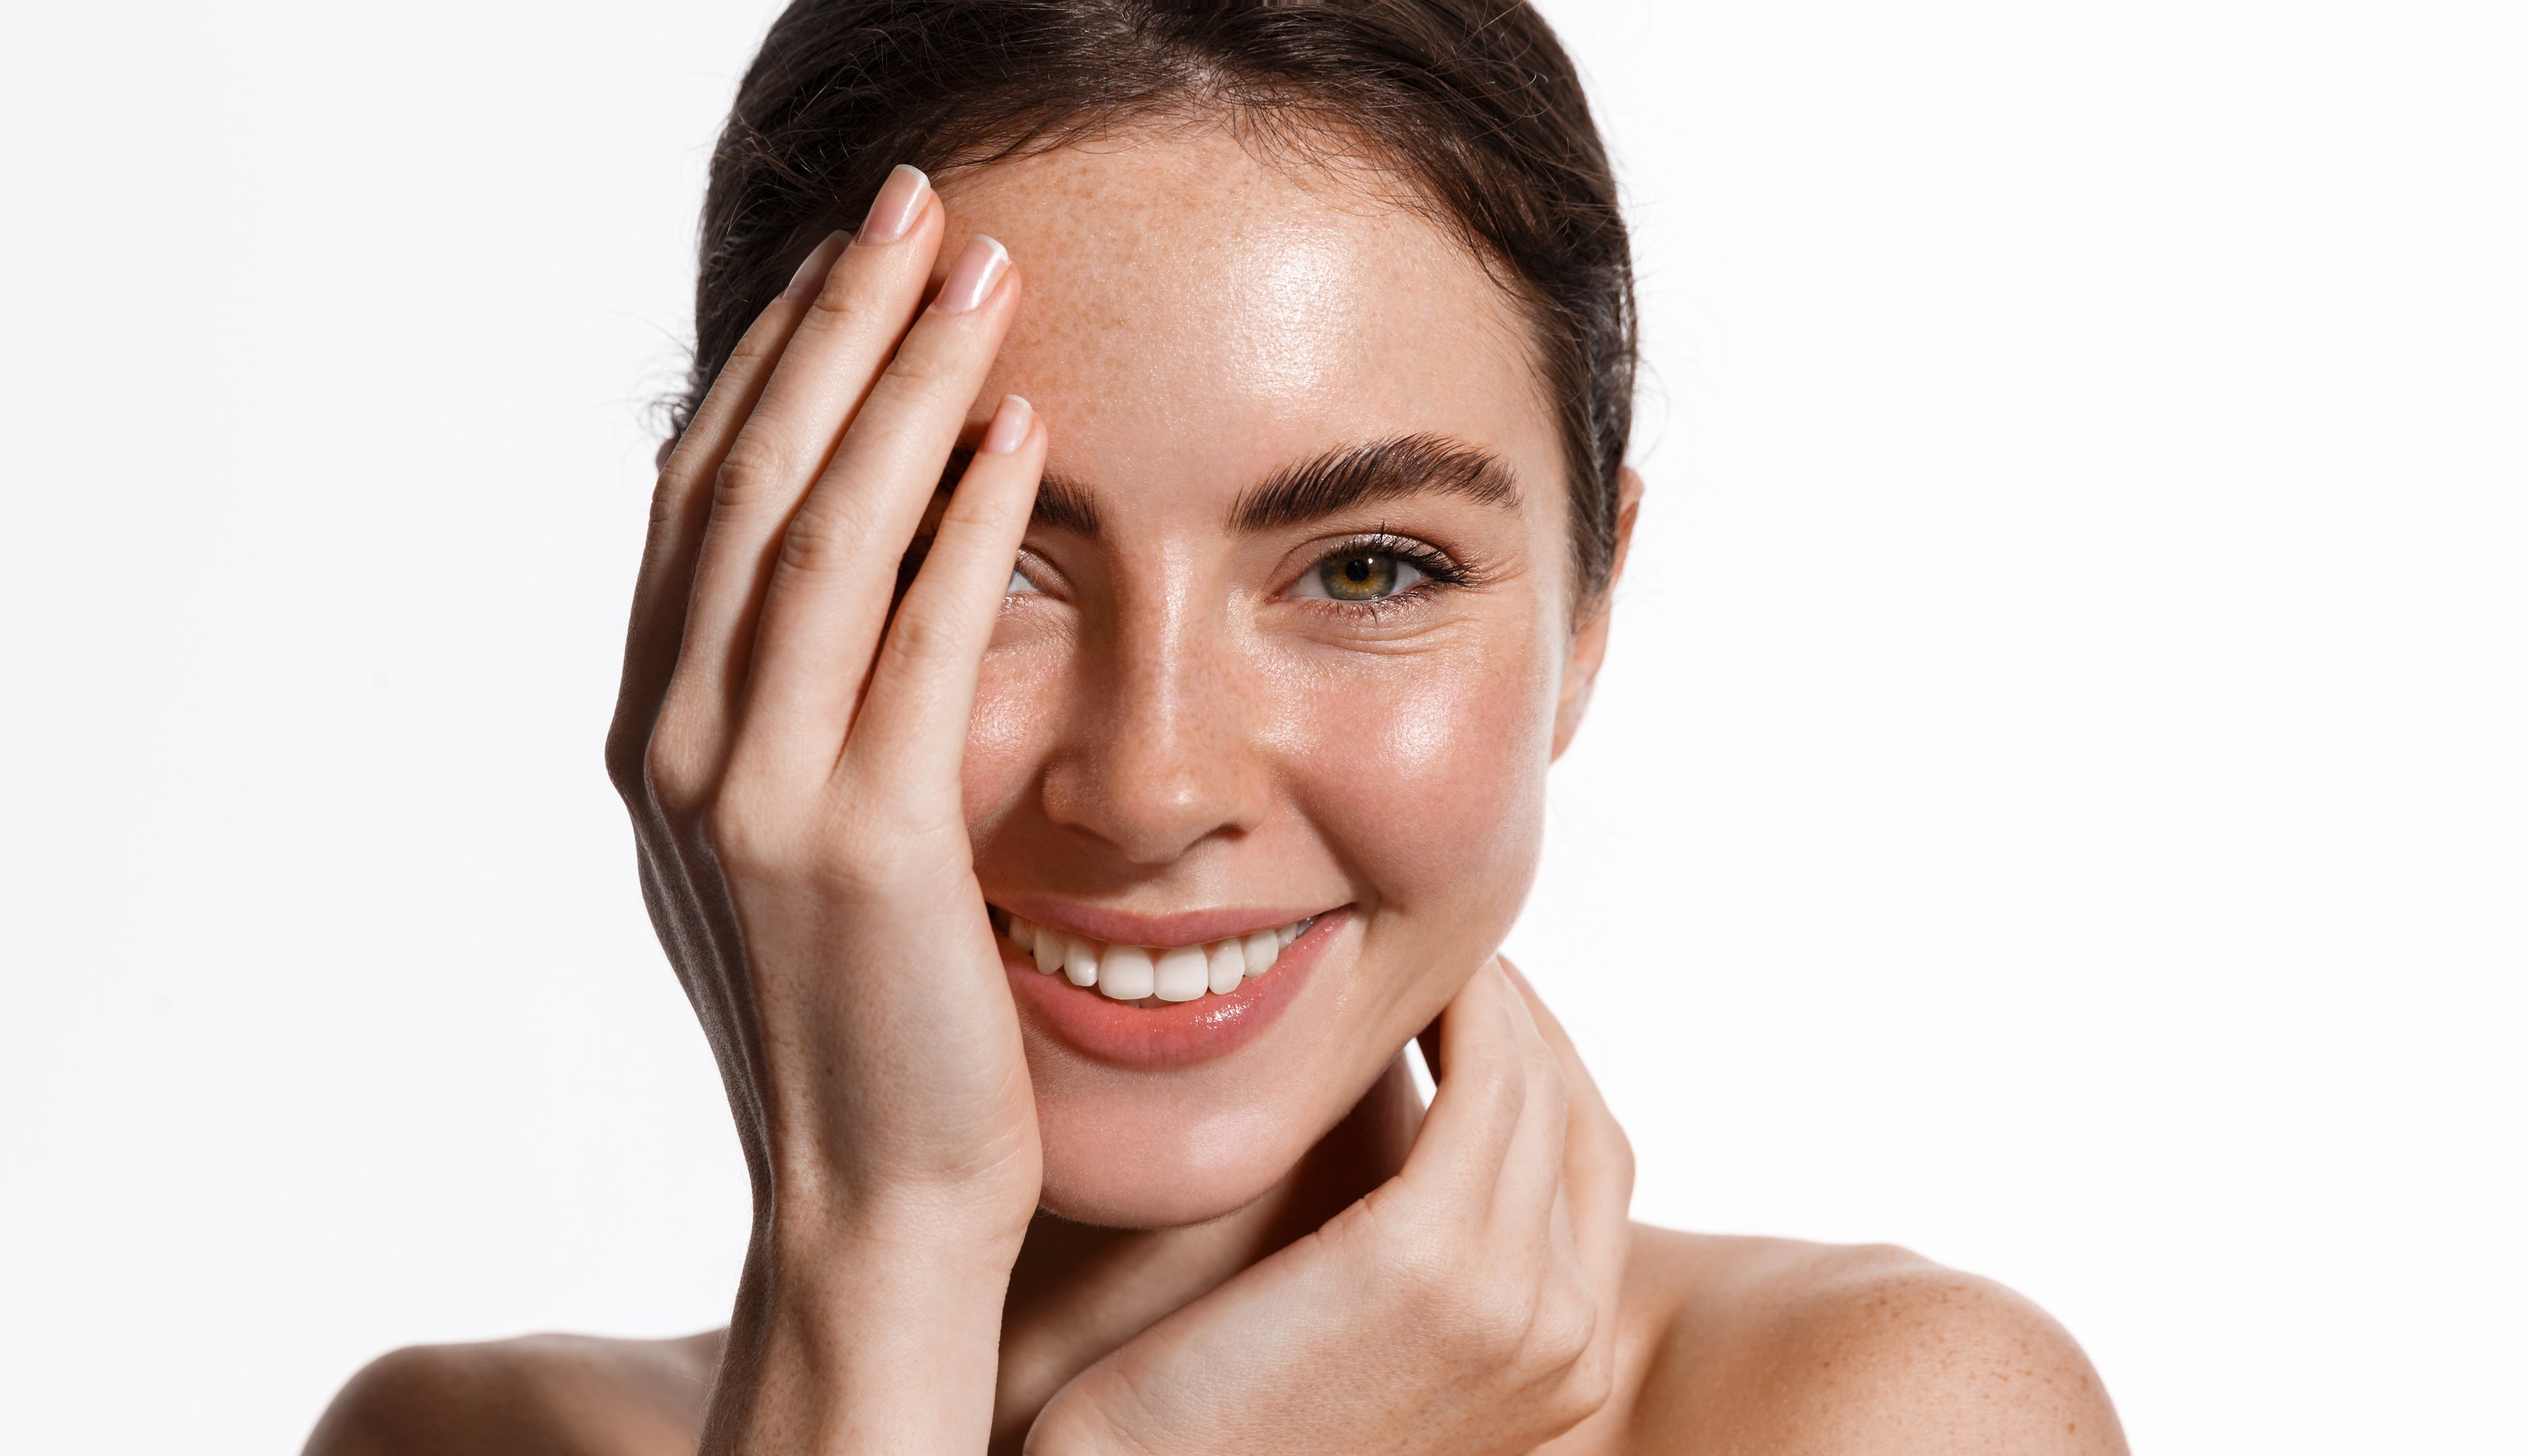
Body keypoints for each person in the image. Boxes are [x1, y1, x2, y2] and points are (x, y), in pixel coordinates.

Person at [306, 3, 2126, 1451]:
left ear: (1591, 615)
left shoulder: (1883, 1419)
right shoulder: (470, 1443)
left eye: (1370, 571)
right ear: (730, 591)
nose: (1152, 786)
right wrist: (878, 1265)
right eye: (973, 558)